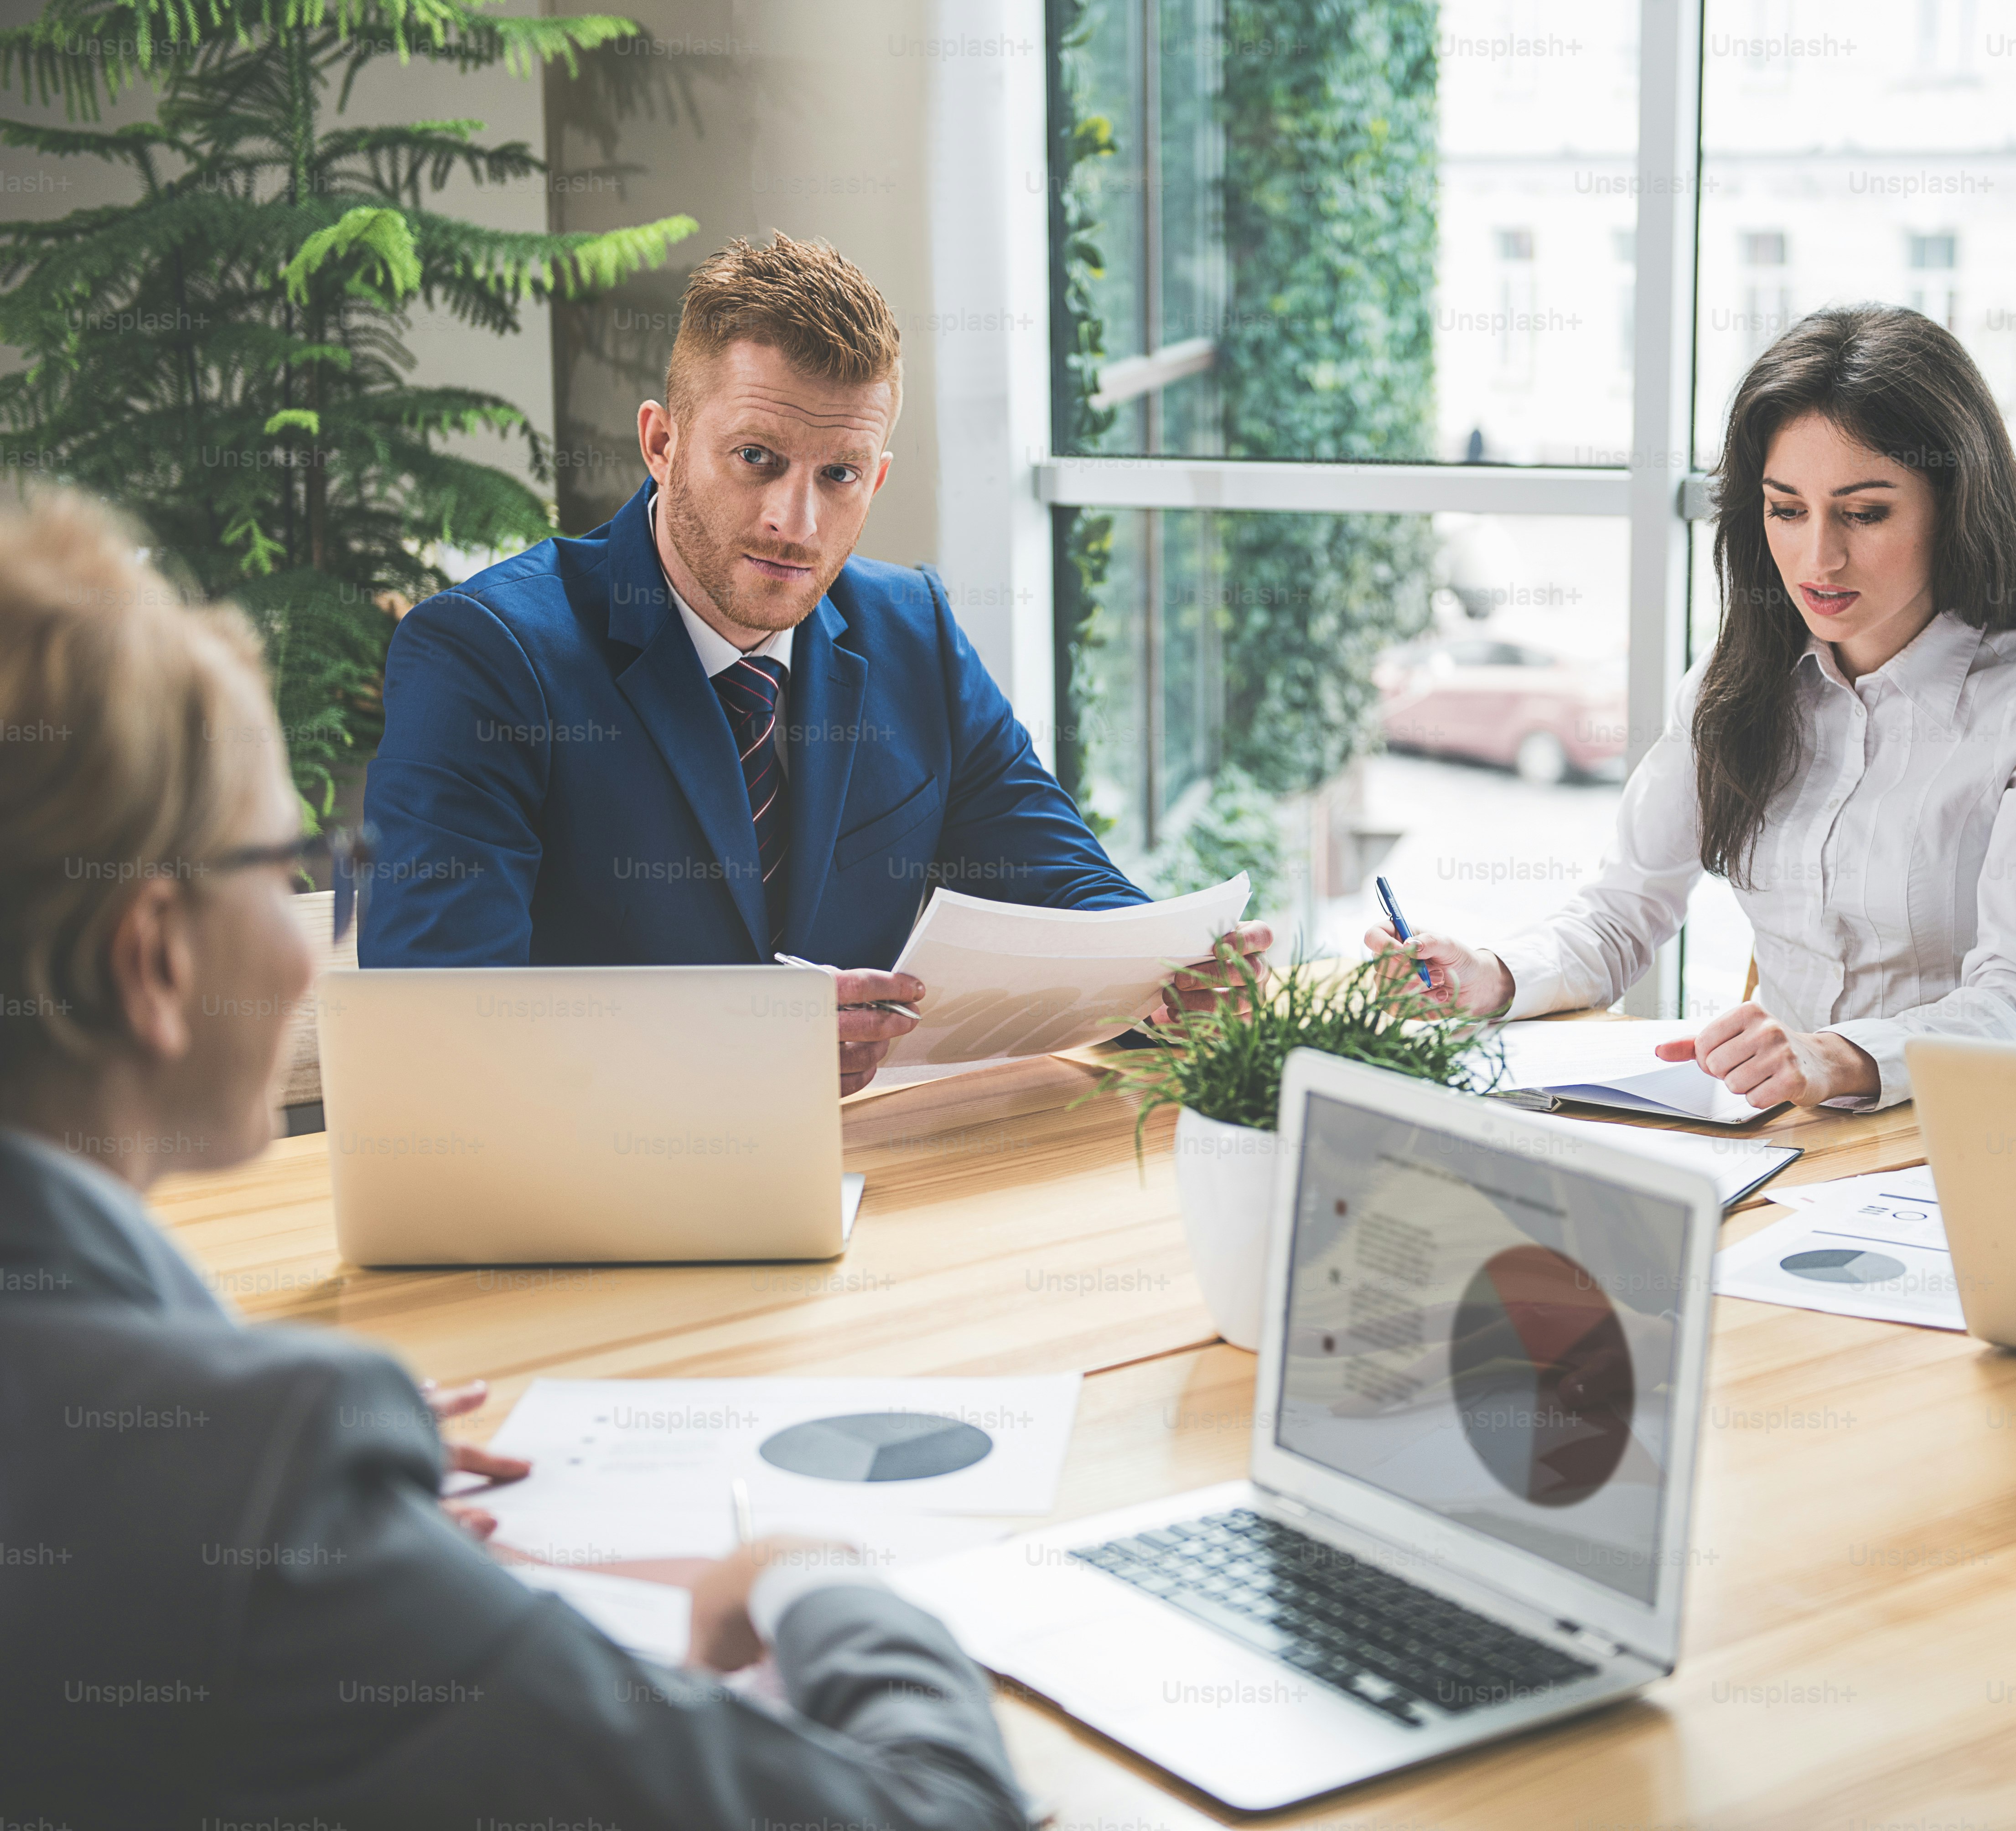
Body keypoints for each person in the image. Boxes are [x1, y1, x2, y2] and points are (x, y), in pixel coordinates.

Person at [0, 490, 1030, 1828]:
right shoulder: (265, 1466)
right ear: (153, 960)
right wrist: (815, 1573)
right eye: (290, 862)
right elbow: (931, 1815)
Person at [361, 233, 1262, 1090]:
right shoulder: (485, 657)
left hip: (864, 1186)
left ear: (874, 480)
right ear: (662, 444)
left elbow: (1061, 892)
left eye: (838, 474)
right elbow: (435, 1025)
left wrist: (1175, 979)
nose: (796, 523)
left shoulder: (915, 633)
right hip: (586, 1205)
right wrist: (740, 1046)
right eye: (756, 458)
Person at [1372, 305, 2016, 1112]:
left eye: (1866, 513)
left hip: (1950, 1141)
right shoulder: (1738, 681)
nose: (1818, 557)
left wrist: (1832, 1059)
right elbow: (1625, 912)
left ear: (1955, 504)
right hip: (1772, 1138)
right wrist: (1495, 974)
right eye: (1787, 509)